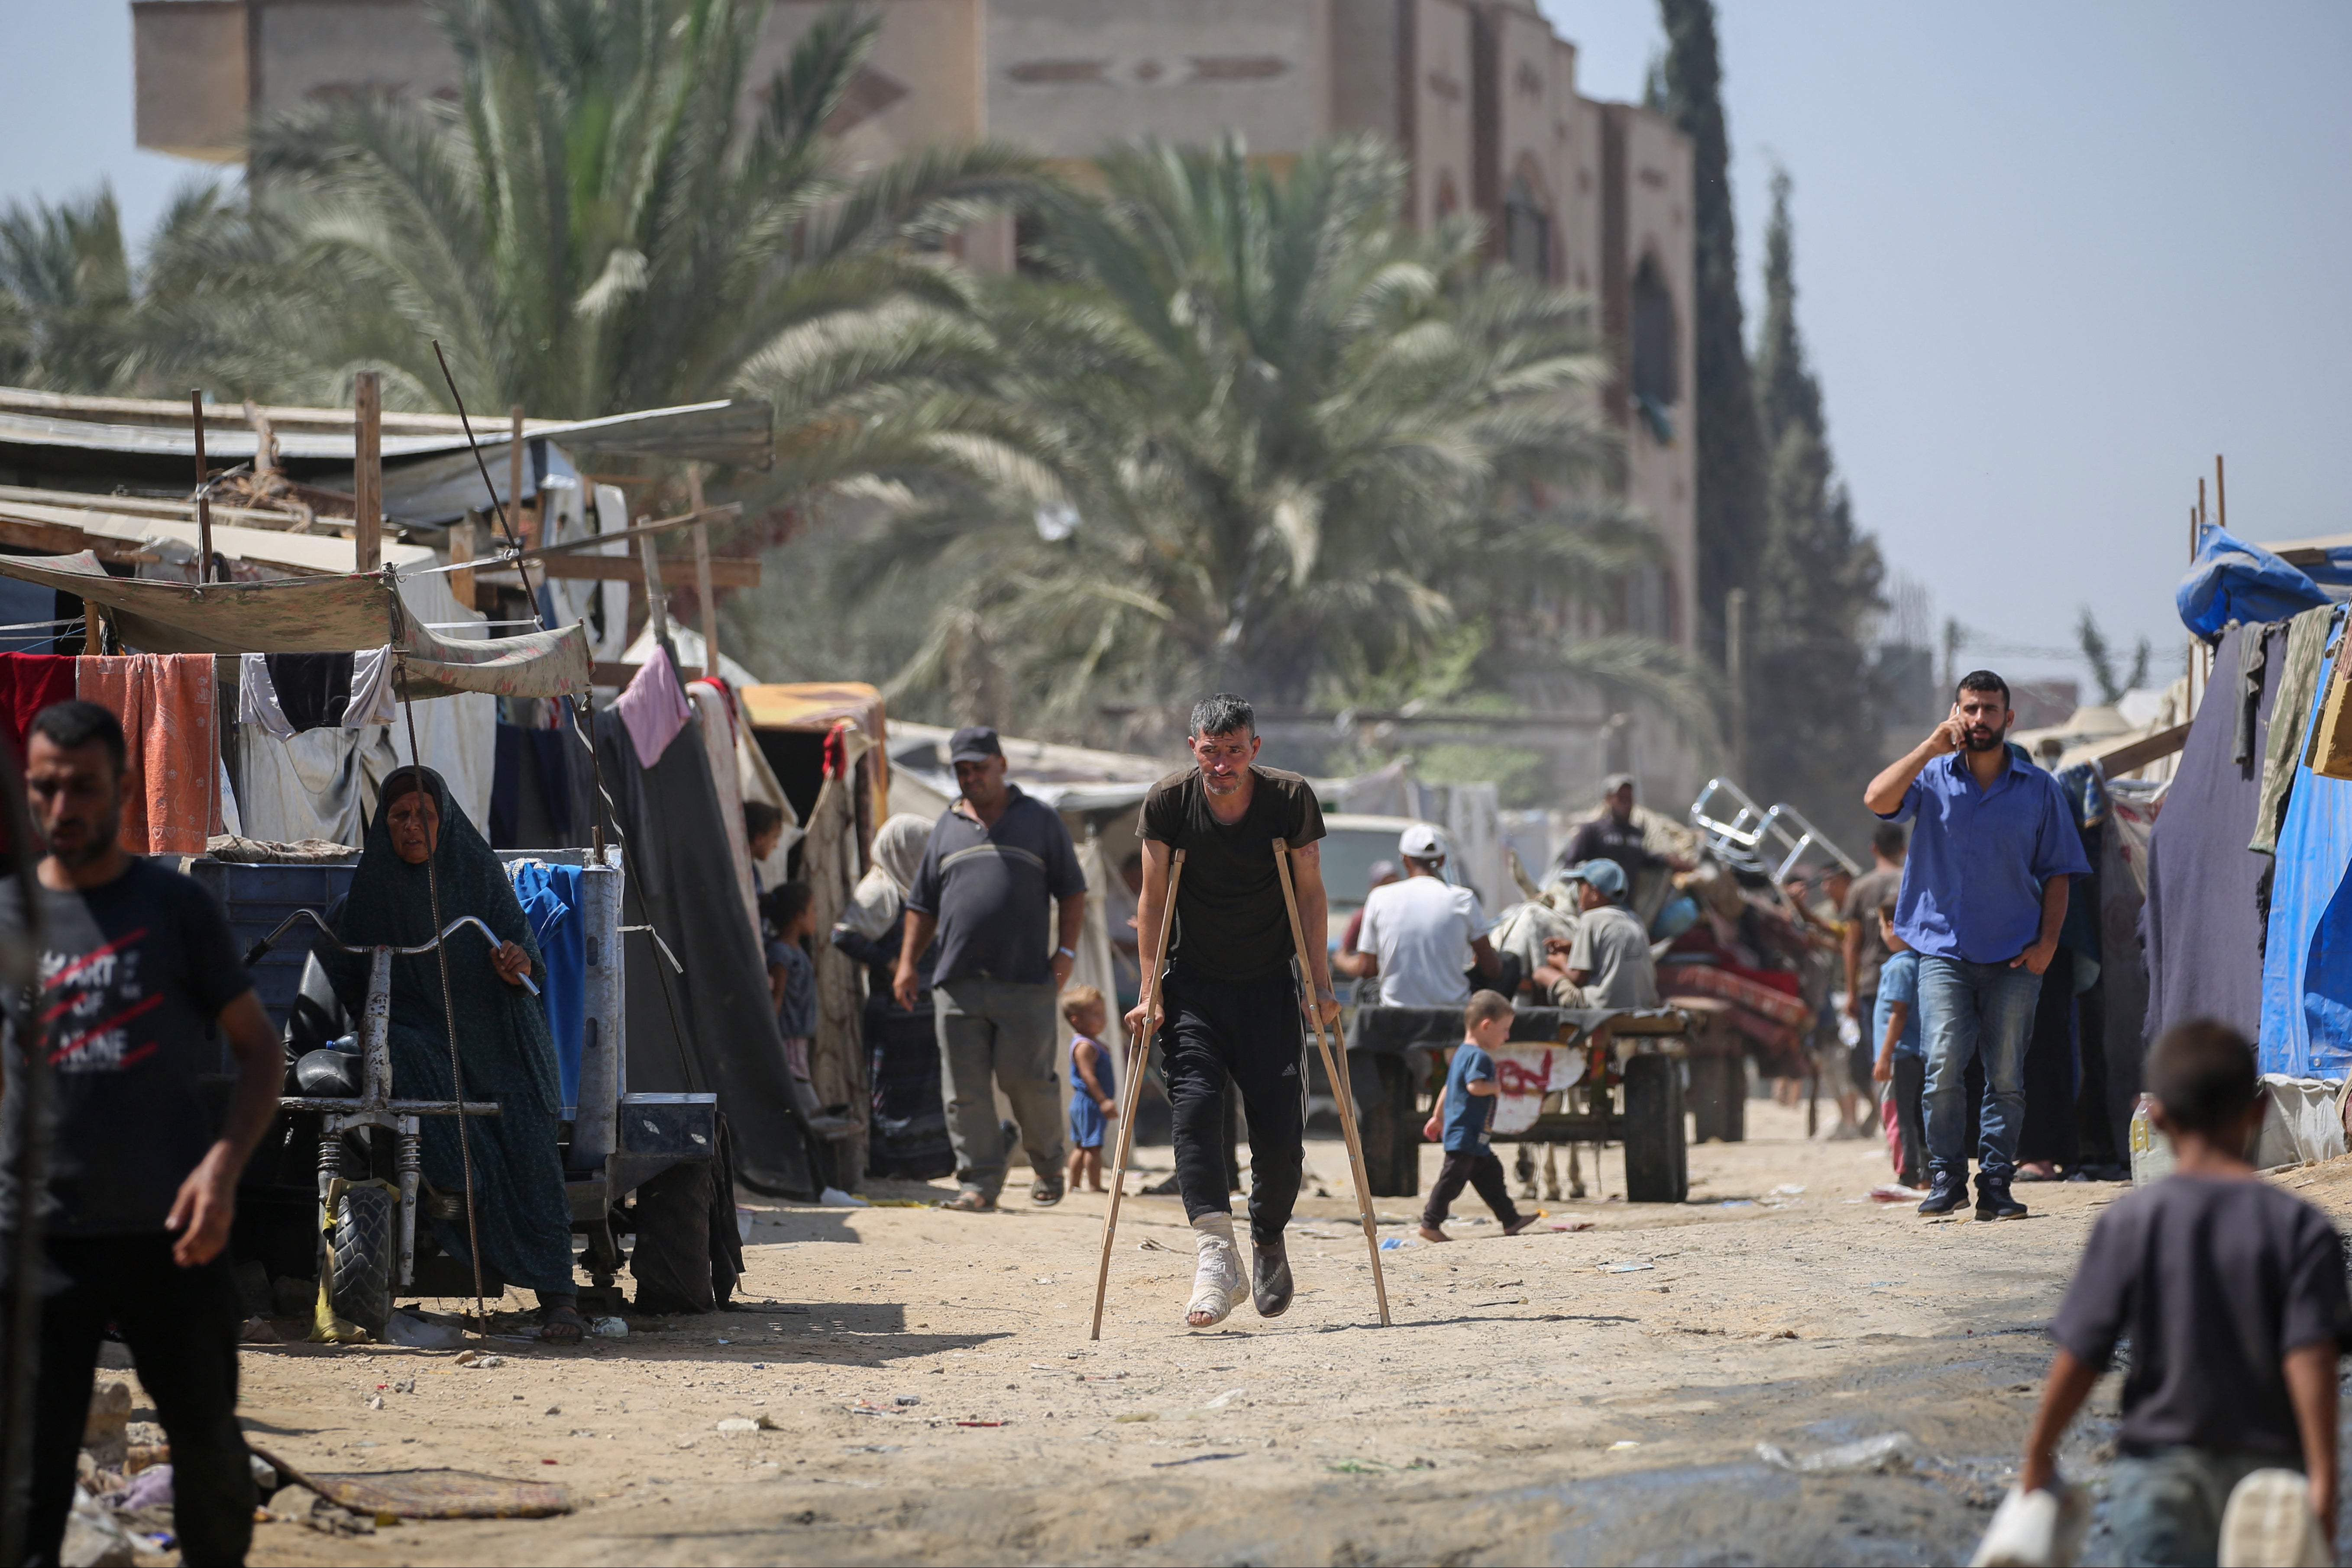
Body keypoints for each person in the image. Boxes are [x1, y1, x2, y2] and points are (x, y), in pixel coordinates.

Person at [0, 701, 282, 1567]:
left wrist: (223, 1172)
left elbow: (260, 1053)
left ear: (123, 788)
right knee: (28, 1487)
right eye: (45, 788)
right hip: (39, 1239)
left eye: (83, 787)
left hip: (173, 1236)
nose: (62, 807)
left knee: (211, 1462)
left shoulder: (177, 908)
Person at [2018, 1020, 2349, 1567]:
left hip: (2156, 1477)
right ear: (2259, 1112)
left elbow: (2081, 1355)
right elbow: (2310, 1361)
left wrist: (2037, 1454)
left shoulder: (2130, 1224)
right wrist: (2323, 1483)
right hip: (2267, 1481)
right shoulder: (2301, 1228)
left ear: (2156, 1116)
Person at [311, 764, 587, 1340]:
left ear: (446, 822)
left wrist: (515, 961)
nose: (412, 827)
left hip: (499, 1037)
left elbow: (525, 953)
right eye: (399, 816)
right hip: (420, 1038)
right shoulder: (373, 884)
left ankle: (558, 1295)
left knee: (526, 1129)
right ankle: (466, 1189)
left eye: (425, 816)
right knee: (394, 1057)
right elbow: (346, 958)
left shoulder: (476, 872)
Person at [1125, 693, 1337, 1329]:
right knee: (1192, 1109)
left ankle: (1266, 1235)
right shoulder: (1167, 802)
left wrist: (1318, 982)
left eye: (1234, 752)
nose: (1222, 766)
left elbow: (1309, 889)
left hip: (1269, 986)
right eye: (1211, 753)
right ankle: (1215, 1255)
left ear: (1255, 749)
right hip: (1193, 986)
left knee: (1278, 1136)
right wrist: (1148, 990)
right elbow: (1152, 896)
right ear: (1193, 749)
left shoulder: (1288, 798)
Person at [1863, 670, 2090, 1222]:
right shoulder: (1932, 776)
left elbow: (2060, 873)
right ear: (1955, 713)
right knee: (1942, 1064)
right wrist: (1927, 747)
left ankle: (1995, 1183)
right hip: (1942, 954)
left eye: (1990, 710)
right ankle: (1945, 1178)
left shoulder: (2039, 789)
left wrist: (2047, 946)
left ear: (2008, 719)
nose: (1980, 720)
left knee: (2006, 1074)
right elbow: (1877, 798)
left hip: (2015, 955)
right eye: (1970, 709)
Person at [896, 727, 1087, 1212]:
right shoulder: (946, 826)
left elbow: (1072, 891)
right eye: (962, 769)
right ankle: (979, 1182)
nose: (971, 777)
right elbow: (922, 905)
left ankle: (1047, 1166)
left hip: (1025, 980)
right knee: (963, 1090)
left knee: (1027, 1080)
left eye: (979, 767)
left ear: (1001, 764)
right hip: (956, 981)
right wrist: (906, 965)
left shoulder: (1039, 820)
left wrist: (1065, 954)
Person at [833, 813, 952, 1180]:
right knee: (890, 1087)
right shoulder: (879, 891)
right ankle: (891, 1165)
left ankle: (927, 1164)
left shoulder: (923, 891)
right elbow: (844, 936)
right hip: (893, 1012)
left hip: (926, 1011)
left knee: (927, 1088)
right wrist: (891, 964)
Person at [1415, 991, 1535, 1243]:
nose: (1507, 1036)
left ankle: (1511, 1219)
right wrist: (1496, 1087)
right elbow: (1474, 1087)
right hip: (1467, 1133)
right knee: (1452, 1181)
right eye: (1504, 1030)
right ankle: (1430, 1223)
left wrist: (1438, 1117)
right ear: (1486, 1026)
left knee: (1492, 1174)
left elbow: (1449, 1088)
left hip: (1473, 1135)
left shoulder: (1461, 1053)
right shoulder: (1479, 1057)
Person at [1333, 826, 1499, 1007]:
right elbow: (1492, 969)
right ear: (1443, 860)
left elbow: (1367, 970)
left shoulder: (1379, 897)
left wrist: (1341, 958)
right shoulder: (1464, 899)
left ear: (1405, 861)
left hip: (1397, 1016)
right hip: (1452, 1015)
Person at [1533, 860, 1659, 1009]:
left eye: (1581, 887)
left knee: (1541, 973)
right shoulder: (1634, 919)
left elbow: (1578, 978)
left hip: (1603, 1005)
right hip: (1642, 1005)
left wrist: (1559, 961)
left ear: (1594, 893)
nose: (1578, 894)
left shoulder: (1591, 918)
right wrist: (1574, 948)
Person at [1552, 773, 1694, 892]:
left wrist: (1668, 860)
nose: (1626, 803)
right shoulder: (1592, 831)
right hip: (1598, 905)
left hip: (1626, 906)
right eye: (1621, 798)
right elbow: (1571, 864)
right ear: (1608, 800)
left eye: (1629, 798)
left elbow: (1642, 859)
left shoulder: (1636, 834)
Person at [1843, 823, 1907, 1077]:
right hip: (1911, 980)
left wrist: (1851, 992)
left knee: (1880, 1059)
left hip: (1873, 983)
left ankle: (1888, 1113)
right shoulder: (1912, 881)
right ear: (1903, 849)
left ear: (1873, 849)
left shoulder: (1859, 888)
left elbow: (1852, 944)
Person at [1870, 903, 1926, 1189]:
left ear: (1891, 925)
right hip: (1917, 1052)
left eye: (1881, 925)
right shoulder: (1919, 962)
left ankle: (1909, 1175)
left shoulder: (1900, 966)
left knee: (1899, 1114)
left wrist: (1883, 1056)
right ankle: (1926, 1174)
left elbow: (1898, 1013)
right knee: (1918, 1114)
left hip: (1900, 1053)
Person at [1062, 986, 1116, 1195]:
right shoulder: (1085, 1046)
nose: (1102, 1019)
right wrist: (1103, 1101)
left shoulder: (1093, 1043)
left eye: (1103, 1014)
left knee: (1082, 1146)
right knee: (1093, 1146)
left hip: (1084, 1102)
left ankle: (1074, 1185)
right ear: (1077, 1020)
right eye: (1096, 1015)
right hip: (1089, 1102)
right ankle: (1094, 1185)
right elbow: (1088, 1076)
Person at [764, 880, 818, 1081]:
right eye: (813, 910)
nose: (815, 917)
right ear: (799, 917)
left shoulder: (795, 951)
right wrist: (770, 1035)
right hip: (788, 1039)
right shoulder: (782, 953)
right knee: (797, 1086)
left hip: (797, 1037)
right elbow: (777, 996)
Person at [1337, 859, 1399, 969]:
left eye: (1393, 885)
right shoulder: (1362, 917)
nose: (1389, 890)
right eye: (1384, 885)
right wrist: (1360, 965)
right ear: (1373, 887)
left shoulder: (1405, 916)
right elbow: (1341, 956)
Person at [743, 799, 786, 892]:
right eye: (775, 837)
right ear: (759, 839)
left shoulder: (753, 873)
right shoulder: (743, 872)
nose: (776, 845)